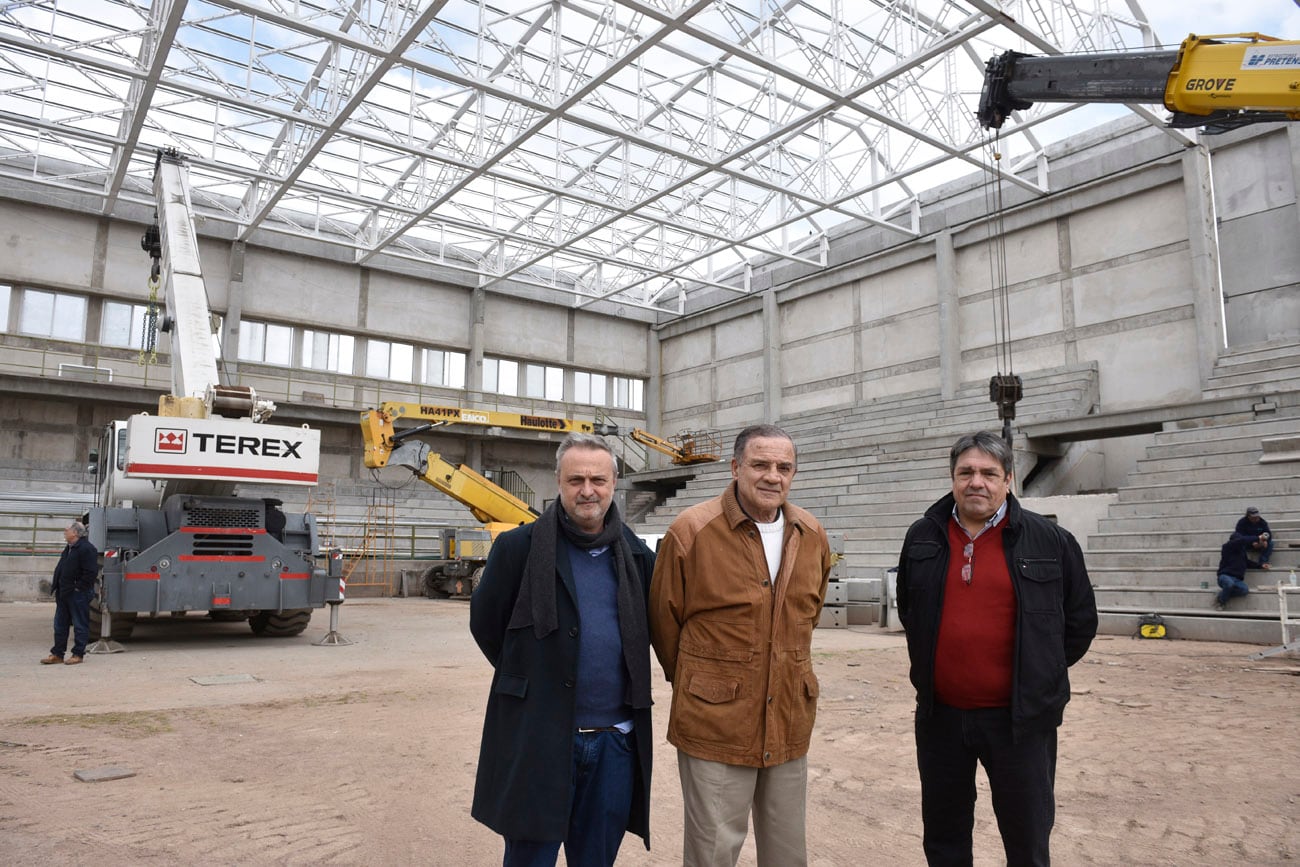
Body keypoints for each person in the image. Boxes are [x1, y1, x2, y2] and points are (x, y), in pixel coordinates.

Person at [896, 431, 1097, 867]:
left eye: (989, 473)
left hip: (1020, 722)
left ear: (1008, 479)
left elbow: (1080, 624)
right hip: (941, 718)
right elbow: (911, 612)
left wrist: (1036, 671)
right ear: (952, 479)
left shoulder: (1050, 541)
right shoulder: (923, 538)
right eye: (966, 472)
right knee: (944, 837)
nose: (976, 482)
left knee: (1027, 837)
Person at [649, 424, 832, 867]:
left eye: (784, 467)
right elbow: (663, 622)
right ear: (735, 468)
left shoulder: (811, 535)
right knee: (713, 853)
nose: (773, 476)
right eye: (761, 465)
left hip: (788, 720)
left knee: (788, 854)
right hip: (716, 725)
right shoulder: (691, 532)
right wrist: (704, 684)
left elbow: (808, 617)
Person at [469, 433, 656, 867]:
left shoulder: (635, 555)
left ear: (613, 483)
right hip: (540, 737)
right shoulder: (518, 549)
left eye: (598, 479)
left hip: (614, 744)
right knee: (529, 858)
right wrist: (537, 676)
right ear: (558, 482)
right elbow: (487, 624)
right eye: (576, 479)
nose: (587, 490)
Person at [41, 521, 99, 666]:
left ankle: (78, 654)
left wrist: (78, 588)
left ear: (75, 533)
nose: (65, 531)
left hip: (77, 594)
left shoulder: (87, 548)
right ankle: (57, 654)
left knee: (80, 624)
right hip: (64, 593)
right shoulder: (69, 548)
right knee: (60, 625)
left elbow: (91, 572)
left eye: (67, 529)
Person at [1213, 532, 1255, 611]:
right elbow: (1240, 541)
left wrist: (1261, 565)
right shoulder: (1227, 547)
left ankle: (1222, 594)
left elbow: (1247, 563)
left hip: (1237, 579)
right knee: (1229, 584)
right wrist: (1258, 537)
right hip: (1224, 576)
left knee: (1244, 590)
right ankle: (1221, 602)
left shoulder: (1242, 552)